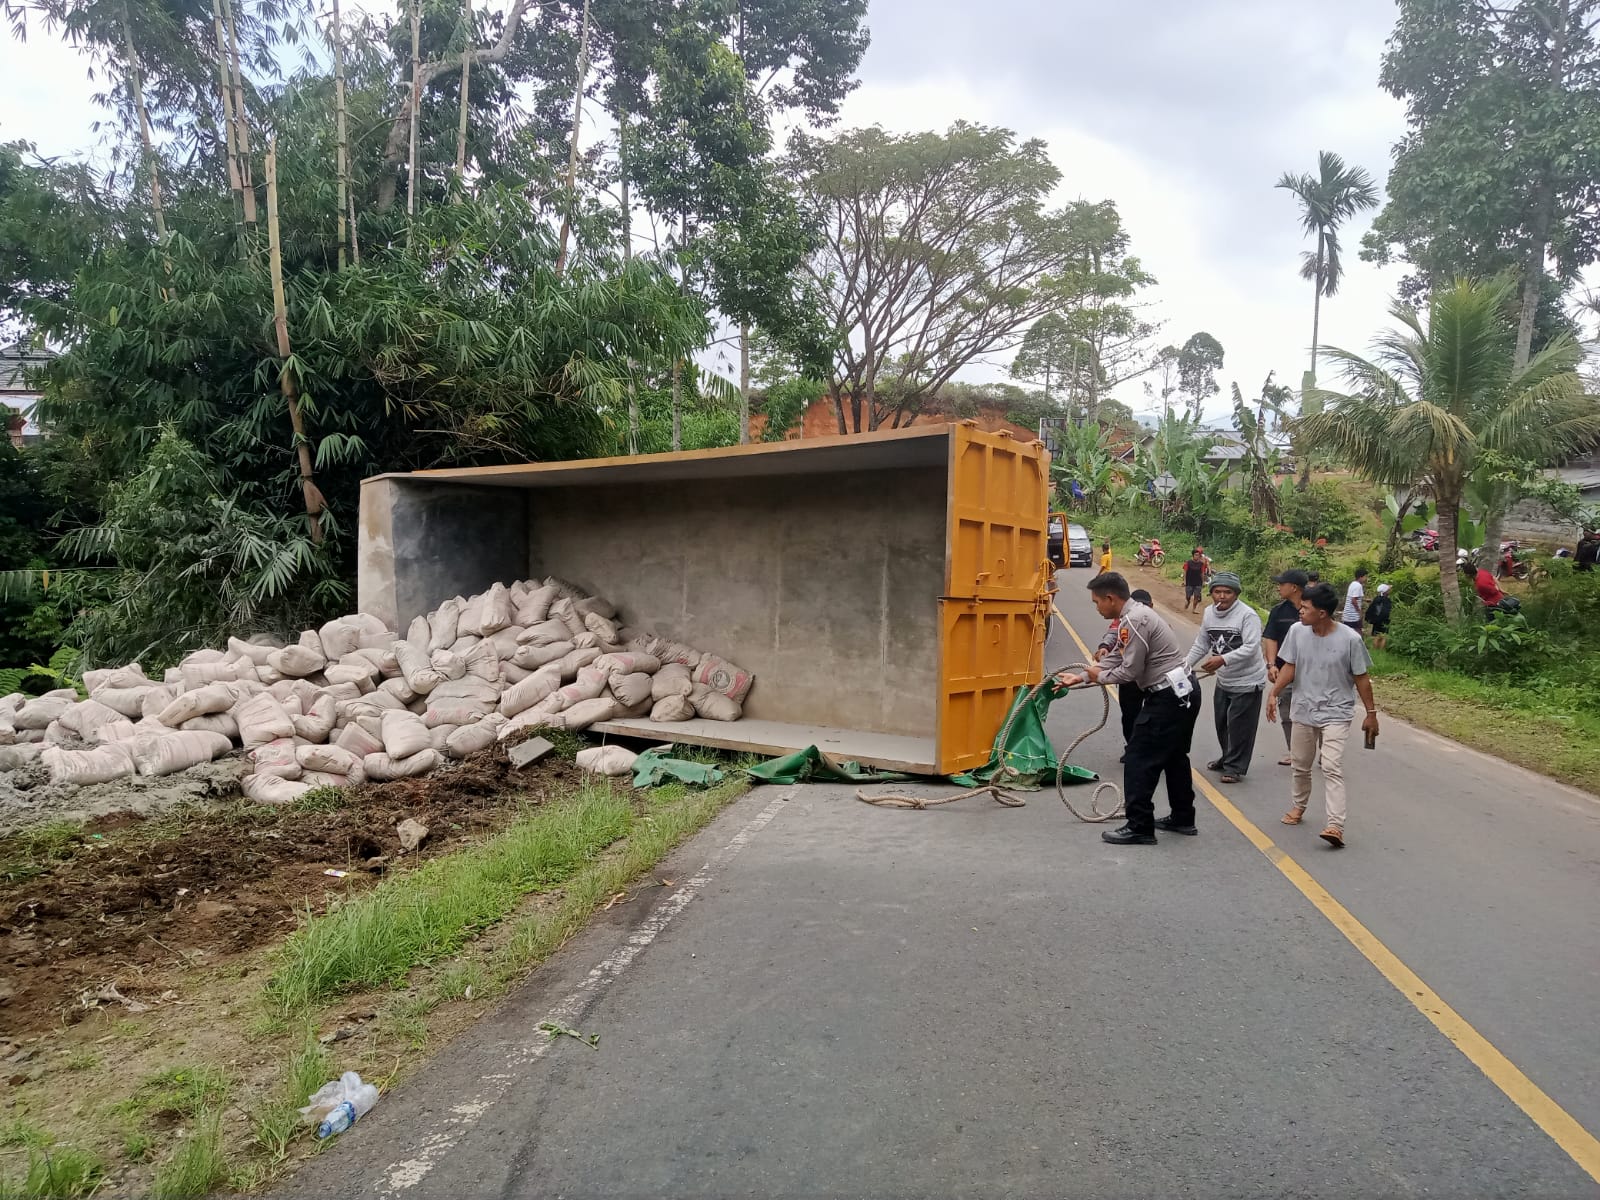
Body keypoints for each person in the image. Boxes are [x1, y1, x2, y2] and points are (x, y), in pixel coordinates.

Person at [1059, 572, 1200, 845]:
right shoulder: (1134, 616)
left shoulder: (1135, 620)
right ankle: (1183, 817)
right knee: (1174, 756)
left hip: (1168, 696)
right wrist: (1083, 676)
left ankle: (1139, 826)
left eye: (1096, 602)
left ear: (1111, 598)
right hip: (1183, 691)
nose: (1096, 607)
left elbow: (1129, 670)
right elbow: (1117, 655)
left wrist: (1097, 677)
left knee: (1138, 758)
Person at [1266, 582, 1379, 849]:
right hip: (1303, 708)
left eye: (1305, 608)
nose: (1300, 612)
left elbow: (1362, 678)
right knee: (1301, 764)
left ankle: (1335, 826)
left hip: (1336, 711)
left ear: (1323, 613)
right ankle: (1298, 806)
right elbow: (1290, 667)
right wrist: (1274, 693)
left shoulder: (1350, 639)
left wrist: (1371, 714)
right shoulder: (1297, 632)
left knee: (1330, 766)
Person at [1185, 570, 1267, 783]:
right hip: (1225, 679)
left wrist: (1223, 659)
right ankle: (1227, 756)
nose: (1222, 596)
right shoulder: (1209, 613)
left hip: (1248, 680)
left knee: (1240, 726)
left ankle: (1234, 767)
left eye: (1227, 592)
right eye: (1217, 591)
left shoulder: (1247, 616)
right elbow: (1202, 642)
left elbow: (1251, 647)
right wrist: (1184, 665)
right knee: (1222, 722)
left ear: (1236, 594)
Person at [1095, 588, 1155, 762]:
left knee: (1152, 715)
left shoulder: (1156, 622)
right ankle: (1133, 747)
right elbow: (1113, 634)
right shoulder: (1123, 620)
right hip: (1128, 677)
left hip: (1152, 678)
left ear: (1151, 606)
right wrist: (1104, 647)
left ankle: (1150, 748)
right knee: (1129, 715)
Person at [1261, 569, 1308, 768]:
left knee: (1317, 712)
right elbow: (1270, 637)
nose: (1278, 587)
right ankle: (1294, 752)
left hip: (1311, 672)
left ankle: (1324, 751)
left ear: (1294, 587)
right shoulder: (1279, 611)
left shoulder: (1313, 608)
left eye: (1282, 584)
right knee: (1287, 713)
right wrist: (1271, 664)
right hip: (1285, 671)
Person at [1366, 583, 1394, 650]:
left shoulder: (1377, 599)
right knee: (1384, 636)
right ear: (1385, 592)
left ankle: (1375, 650)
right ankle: (1381, 650)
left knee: (1376, 636)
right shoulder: (1387, 600)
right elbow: (1386, 612)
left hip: (1376, 620)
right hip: (1384, 621)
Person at [1341, 568, 1368, 635]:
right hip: (1353, 616)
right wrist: (1359, 611)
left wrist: (1364, 600)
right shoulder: (1358, 586)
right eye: (1365, 576)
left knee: (1348, 633)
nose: (1366, 578)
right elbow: (1353, 600)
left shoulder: (1353, 584)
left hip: (1347, 615)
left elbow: (1353, 597)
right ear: (1361, 577)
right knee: (1358, 632)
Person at [1182, 547, 1207, 613]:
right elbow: (1185, 572)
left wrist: (1203, 581)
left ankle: (1194, 609)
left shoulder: (1201, 564)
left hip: (1198, 582)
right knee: (1188, 596)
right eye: (1196, 555)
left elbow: (1202, 573)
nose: (1197, 556)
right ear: (1193, 555)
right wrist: (1184, 581)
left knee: (1196, 596)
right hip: (1189, 581)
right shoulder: (1188, 563)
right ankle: (1188, 602)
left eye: (1198, 555)